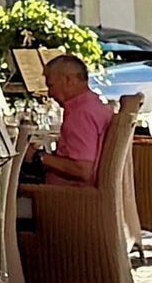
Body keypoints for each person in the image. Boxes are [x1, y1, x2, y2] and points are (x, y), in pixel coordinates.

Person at [34, 51, 114, 187]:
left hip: (70, 193)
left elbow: (82, 170)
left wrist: (38, 156)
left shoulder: (81, 114)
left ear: (68, 80)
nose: (50, 94)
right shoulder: (95, 105)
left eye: (51, 86)